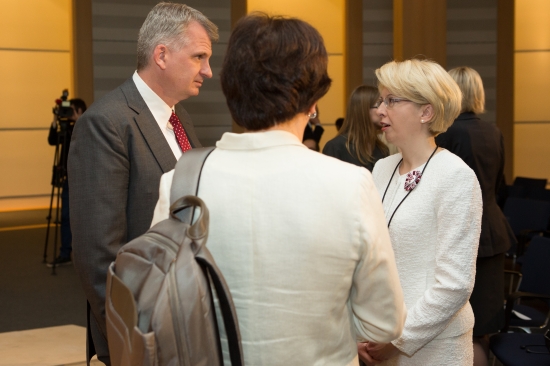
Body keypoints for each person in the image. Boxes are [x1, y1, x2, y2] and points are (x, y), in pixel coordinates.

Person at [151, 13, 406, 366]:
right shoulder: (350, 184)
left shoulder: (179, 183)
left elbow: (160, 304)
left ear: (232, 92)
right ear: (313, 101)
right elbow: (383, 322)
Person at [68, 3, 218, 364]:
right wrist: (133, 337)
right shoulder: (106, 124)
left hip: (185, 325)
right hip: (141, 337)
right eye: (199, 57)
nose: (208, 72)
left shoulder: (180, 121)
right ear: (161, 55)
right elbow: (98, 256)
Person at [359, 59, 483, 366]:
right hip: (381, 336)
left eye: (391, 100)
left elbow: (455, 284)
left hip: (434, 347)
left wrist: (399, 340)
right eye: (380, 100)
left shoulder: (455, 175)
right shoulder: (382, 168)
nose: (380, 110)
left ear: (426, 112)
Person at [436, 66, 514, 366]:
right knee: (482, 327)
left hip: (461, 232)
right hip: (493, 233)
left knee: (458, 327)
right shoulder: (493, 131)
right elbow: (500, 186)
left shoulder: (448, 133)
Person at [47, 98, 86, 267]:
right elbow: (52, 140)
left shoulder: (86, 126)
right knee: (65, 216)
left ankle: (84, 254)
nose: (68, 115)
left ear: (79, 110)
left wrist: (80, 121)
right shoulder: (66, 128)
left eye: (71, 111)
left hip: (84, 179)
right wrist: (56, 120)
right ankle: (65, 252)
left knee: (84, 218)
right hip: (68, 178)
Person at [323, 85, 389, 171]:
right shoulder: (336, 147)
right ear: (363, 110)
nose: (384, 111)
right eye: (379, 104)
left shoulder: (382, 150)